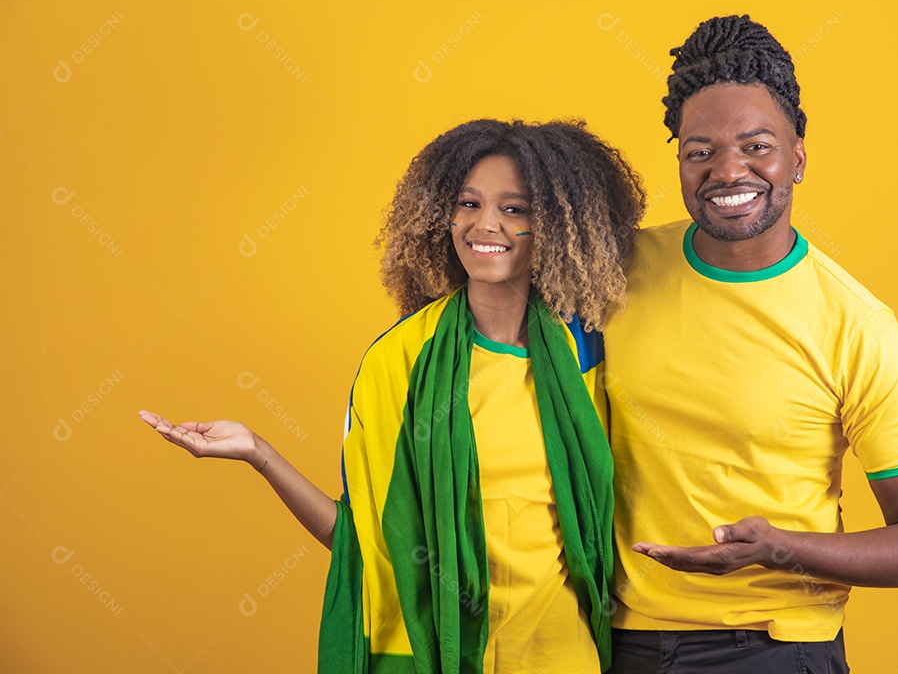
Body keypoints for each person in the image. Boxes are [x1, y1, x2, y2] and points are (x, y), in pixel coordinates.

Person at [140, 118, 648, 673]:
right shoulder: (399, 362)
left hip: (563, 656)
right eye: (468, 203)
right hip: (434, 657)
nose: (484, 224)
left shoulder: (592, 355)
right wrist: (259, 453)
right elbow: (362, 543)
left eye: (515, 209)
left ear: (559, 223)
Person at [601, 15, 898, 673]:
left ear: (797, 156)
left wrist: (776, 547)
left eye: (756, 145)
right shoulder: (614, 270)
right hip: (610, 642)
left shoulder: (857, 328)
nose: (727, 170)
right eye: (699, 150)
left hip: (771, 648)